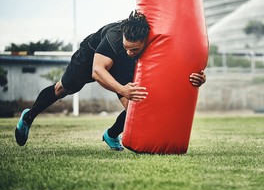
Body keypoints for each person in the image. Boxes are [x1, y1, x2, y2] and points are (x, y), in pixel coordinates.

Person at [15, 10, 206, 151]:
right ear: (123, 38)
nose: (131, 52)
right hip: (91, 57)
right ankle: (28, 116)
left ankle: (111, 135)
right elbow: (97, 71)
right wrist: (122, 89)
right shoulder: (114, 38)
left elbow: (175, 61)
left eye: (135, 49)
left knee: (135, 108)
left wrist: (197, 75)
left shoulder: (154, 40)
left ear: (145, 41)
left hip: (122, 66)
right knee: (62, 89)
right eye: (127, 47)